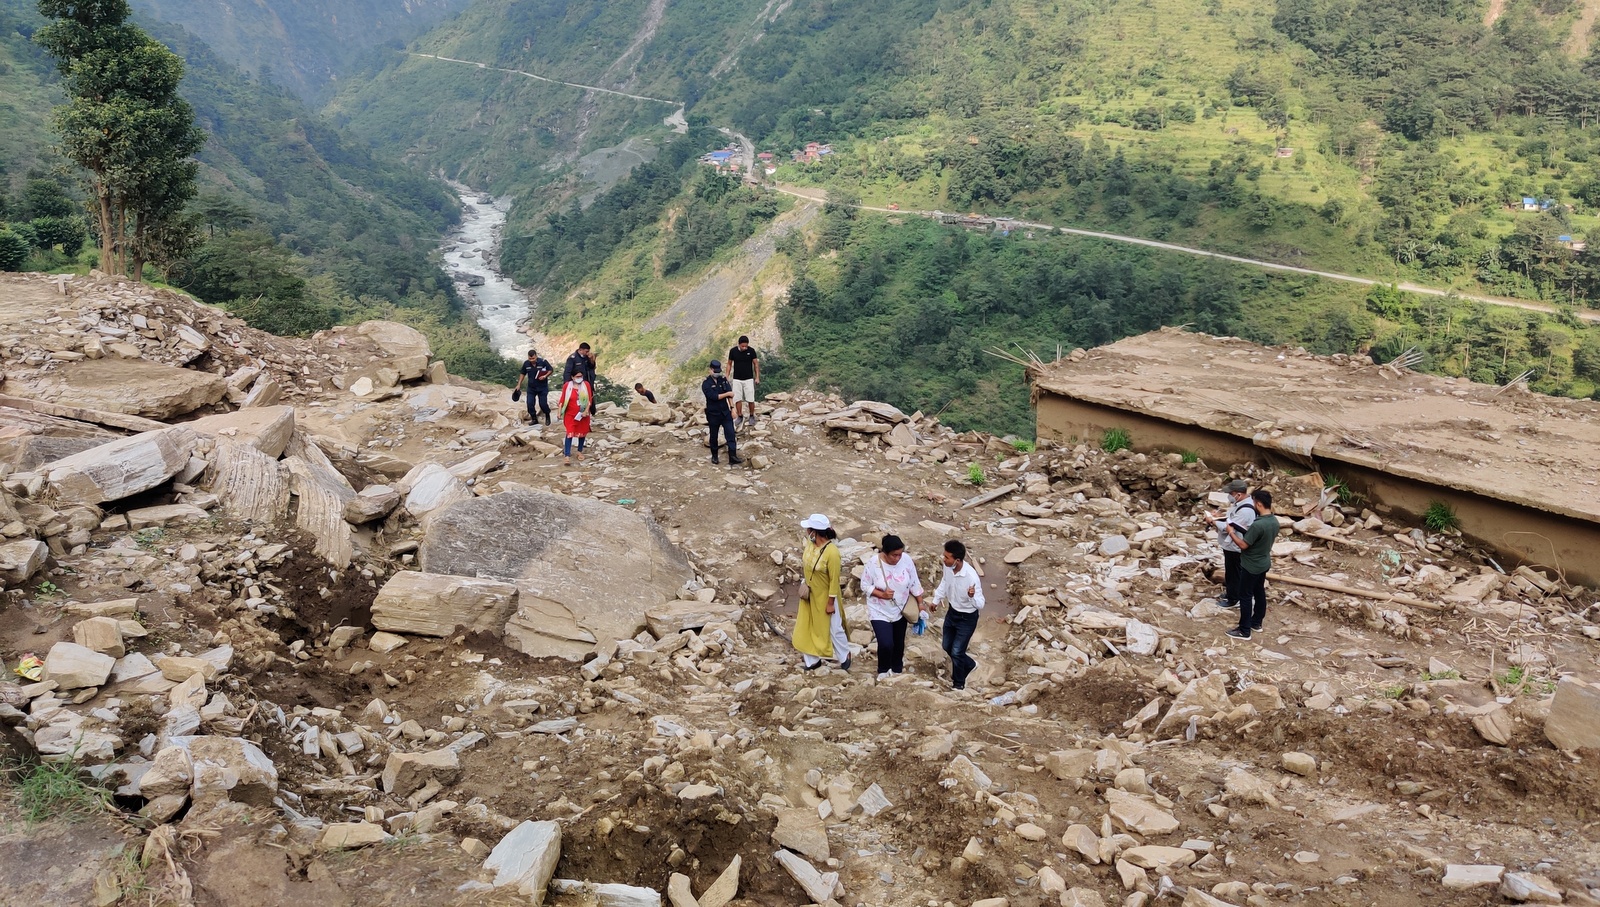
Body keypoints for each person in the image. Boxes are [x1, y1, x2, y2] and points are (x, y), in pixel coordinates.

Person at [860, 534, 923, 679]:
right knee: (886, 643)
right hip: (879, 610)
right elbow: (864, 585)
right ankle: (883, 670)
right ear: (885, 553)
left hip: (901, 608)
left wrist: (920, 604)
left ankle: (896, 670)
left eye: (900, 554)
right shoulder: (873, 563)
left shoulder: (906, 560)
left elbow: (914, 582)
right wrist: (881, 595)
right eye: (894, 555)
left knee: (898, 643)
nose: (897, 558)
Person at [794, 514, 850, 671]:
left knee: (833, 627)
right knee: (807, 625)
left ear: (814, 531)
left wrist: (831, 602)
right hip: (810, 593)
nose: (806, 531)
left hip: (825, 595)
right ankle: (811, 660)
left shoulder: (832, 552)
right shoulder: (811, 545)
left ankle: (844, 654)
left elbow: (834, 580)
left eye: (808, 528)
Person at [929, 538, 984, 690]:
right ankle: (970, 664)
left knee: (957, 651)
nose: (944, 559)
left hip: (967, 618)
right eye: (944, 555)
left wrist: (972, 596)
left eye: (947, 557)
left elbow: (980, 604)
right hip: (952, 612)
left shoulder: (971, 577)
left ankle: (958, 684)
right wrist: (936, 600)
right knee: (947, 645)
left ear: (957, 560)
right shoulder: (948, 568)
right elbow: (944, 583)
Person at [1225, 489, 1281, 640]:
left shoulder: (1258, 525)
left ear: (1259, 504)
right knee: (1259, 592)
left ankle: (1244, 630)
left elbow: (1243, 545)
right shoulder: (1274, 521)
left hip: (1251, 565)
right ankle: (1256, 623)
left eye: (1254, 503)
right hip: (1263, 562)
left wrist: (1231, 531)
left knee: (1245, 596)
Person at [1205, 478, 1256, 609]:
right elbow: (1230, 518)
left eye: (1231, 494)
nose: (1229, 496)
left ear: (1238, 494)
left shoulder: (1246, 510)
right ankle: (1231, 592)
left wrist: (1212, 521)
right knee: (1231, 571)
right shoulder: (1240, 504)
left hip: (1236, 545)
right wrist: (1219, 515)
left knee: (1234, 573)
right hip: (1231, 545)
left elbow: (1229, 526)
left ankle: (1234, 599)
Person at [701, 360, 742, 466]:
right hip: (713, 413)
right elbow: (713, 397)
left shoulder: (723, 380)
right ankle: (714, 456)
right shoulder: (706, 383)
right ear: (710, 370)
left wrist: (732, 408)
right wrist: (727, 393)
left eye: (718, 371)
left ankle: (732, 456)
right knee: (714, 435)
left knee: (730, 434)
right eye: (715, 371)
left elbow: (730, 396)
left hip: (725, 412)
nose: (717, 373)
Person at [556, 371, 593, 465]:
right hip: (570, 414)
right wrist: (559, 411)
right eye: (577, 376)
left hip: (582, 414)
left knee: (582, 433)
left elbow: (589, 399)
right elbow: (563, 399)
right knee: (569, 433)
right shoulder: (567, 386)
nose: (579, 378)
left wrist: (586, 411)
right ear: (572, 377)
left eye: (581, 376)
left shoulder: (586, 385)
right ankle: (567, 455)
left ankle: (579, 451)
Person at [727, 335, 760, 427]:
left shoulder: (751, 351)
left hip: (748, 378)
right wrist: (727, 376)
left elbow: (756, 364)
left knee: (750, 398)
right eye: (743, 346)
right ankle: (740, 415)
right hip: (737, 379)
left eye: (746, 346)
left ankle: (752, 415)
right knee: (737, 398)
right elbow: (729, 364)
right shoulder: (733, 351)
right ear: (739, 344)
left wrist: (757, 377)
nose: (745, 348)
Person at [514, 348, 554, 426]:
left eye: (533, 358)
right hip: (531, 388)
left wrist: (545, 376)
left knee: (543, 404)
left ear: (536, 356)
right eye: (530, 358)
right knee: (530, 404)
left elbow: (551, 370)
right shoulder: (526, 364)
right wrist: (519, 384)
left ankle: (547, 414)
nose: (531, 360)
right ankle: (534, 419)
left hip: (542, 387)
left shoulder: (543, 362)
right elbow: (522, 373)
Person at [563, 342, 597, 414]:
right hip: (577, 382)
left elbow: (591, 367)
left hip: (587, 381)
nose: (588, 353)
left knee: (590, 397)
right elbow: (567, 372)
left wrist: (592, 360)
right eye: (586, 351)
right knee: (579, 399)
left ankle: (591, 412)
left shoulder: (587, 357)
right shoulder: (573, 358)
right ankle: (579, 412)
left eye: (588, 351)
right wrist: (567, 384)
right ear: (581, 350)